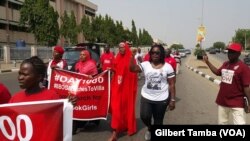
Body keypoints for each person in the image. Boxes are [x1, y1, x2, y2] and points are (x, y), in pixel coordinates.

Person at [130, 44, 176, 141]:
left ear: (161, 54)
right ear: (150, 54)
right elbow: (132, 69)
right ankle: (150, 128)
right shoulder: (145, 64)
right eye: (153, 52)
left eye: (157, 53)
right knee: (144, 116)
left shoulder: (168, 67)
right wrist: (131, 56)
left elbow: (172, 84)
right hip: (146, 96)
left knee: (158, 122)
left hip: (162, 99)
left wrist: (172, 100)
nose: (155, 54)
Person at [203, 43, 250, 124]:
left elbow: (246, 87)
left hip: (237, 102)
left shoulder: (244, 68)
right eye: (229, 51)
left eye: (232, 52)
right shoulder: (226, 64)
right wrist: (207, 62)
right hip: (222, 101)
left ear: (239, 54)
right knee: (222, 124)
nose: (229, 54)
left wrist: (249, 102)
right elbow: (217, 72)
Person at [9, 56, 76, 104]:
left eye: (25, 75)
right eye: (20, 74)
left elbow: (58, 118)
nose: (20, 77)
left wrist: (68, 106)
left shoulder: (51, 97)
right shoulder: (14, 100)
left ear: (39, 77)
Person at [109, 42, 138, 141]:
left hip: (126, 89)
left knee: (125, 108)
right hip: (117, 87)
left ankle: (121, 129)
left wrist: (129, 87)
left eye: (122, 47)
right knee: (116, 108)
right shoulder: (117, 57)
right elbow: (115, 69)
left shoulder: (131, 58)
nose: (121, 49)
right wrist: (110, 71)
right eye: (119, 47)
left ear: (126, 48)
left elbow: (133, 74)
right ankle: (115, 132)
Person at [70, 50, 99, 134]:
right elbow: (70, 73)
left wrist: (91, 77)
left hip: (87, 90)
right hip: (77, 89)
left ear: (87, 56)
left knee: (86, 106)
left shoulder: (91, 65)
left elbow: (96, 77)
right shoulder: (77, 64)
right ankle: (76, 123)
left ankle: (89, 119)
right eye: (80, 54)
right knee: (76, 106)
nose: (81, 56)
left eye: (83, 55)